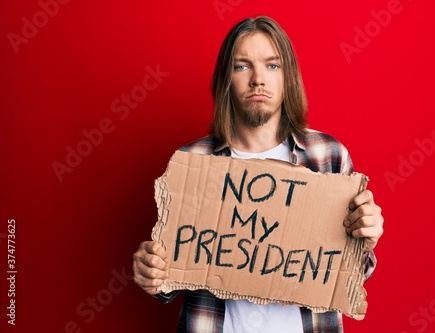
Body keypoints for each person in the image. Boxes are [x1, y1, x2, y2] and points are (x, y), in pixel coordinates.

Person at [132, 16, 384, 333]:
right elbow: (172, 277)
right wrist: (152, 271)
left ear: (287, 76)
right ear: (226, 78)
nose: (258, 79)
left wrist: (366, 242)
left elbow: (348, 276)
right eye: (242, 66)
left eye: (272, 66)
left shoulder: (329, 156)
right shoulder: (192, 161)